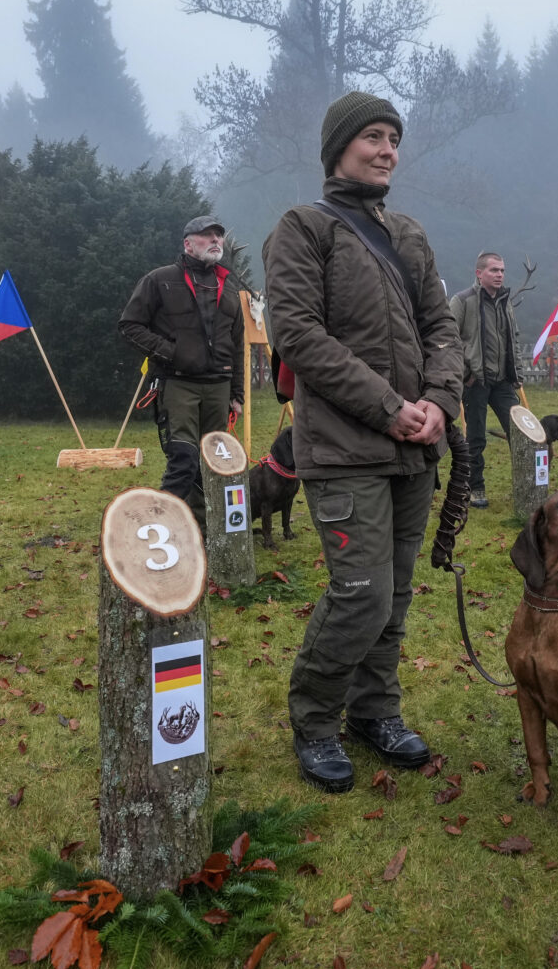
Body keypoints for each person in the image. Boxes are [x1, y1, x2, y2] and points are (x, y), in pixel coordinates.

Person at [263, 91, 462, 793]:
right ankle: (316, 721)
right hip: (344, 450)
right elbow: (297, 334)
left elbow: (442, 328)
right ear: (338, 147)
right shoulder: (303, 228)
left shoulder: (409, 234)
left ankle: (375, 711)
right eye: (374, 136)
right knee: (361, 595)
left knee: (395, 595)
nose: (388, 151)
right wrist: (389, 408)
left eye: (394, 139)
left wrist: (439, 402)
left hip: (415, 449)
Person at [117, 214, 246, 517]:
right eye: (207, 235)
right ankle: (163, 526)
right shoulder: (160, 280)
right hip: (178, 383)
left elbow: (237, 344)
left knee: (213, 464)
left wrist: (237, 393)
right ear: (188, 244)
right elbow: (130, 325)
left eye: (218, 235)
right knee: (184, 458)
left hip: (219, 387)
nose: (215, 240)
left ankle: (202, 529)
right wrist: (172, 353)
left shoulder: (229, 286)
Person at [448, 251, 523, 508]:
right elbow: (448, 339)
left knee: (521, 433)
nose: (499, 274)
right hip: (475, 382)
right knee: (476, 438)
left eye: (502, 270)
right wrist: (466, 375)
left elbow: (513, 338)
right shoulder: (462, 301)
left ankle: (526, 485)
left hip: (502, 382)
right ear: (479, 273)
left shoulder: (505, 301)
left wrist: (516, 373)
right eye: (494, 270)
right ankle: (475, 488)